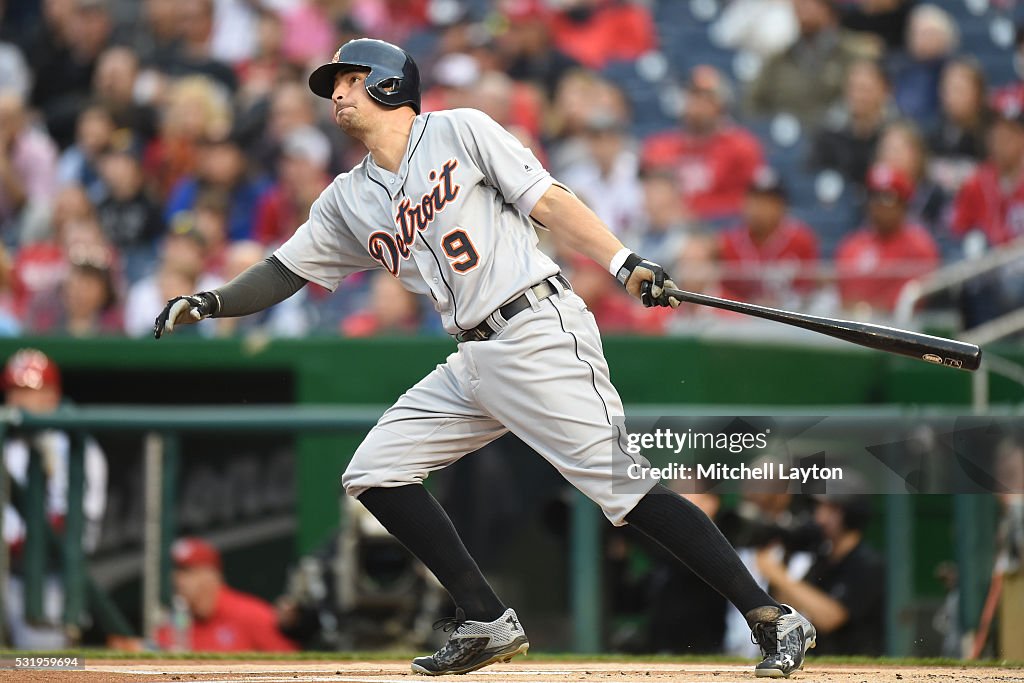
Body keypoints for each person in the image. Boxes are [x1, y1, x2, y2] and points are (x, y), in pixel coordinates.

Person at [153, 38, 817, 678]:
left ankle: (773, 616)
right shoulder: (347, 198)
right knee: (375, 471)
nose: (338, 95)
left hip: (535, 328)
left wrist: (621, 261)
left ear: (389, 84)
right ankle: (485, 618)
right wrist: (211, 301)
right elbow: (283, 269)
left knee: (626, 489)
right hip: (472, 356)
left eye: (350, 81)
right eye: (334, 86)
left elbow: (548, 199)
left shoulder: (461, 131)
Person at [3, 348, 108, 649]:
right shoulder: (8, 442)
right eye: (13, 391)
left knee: (41, 667)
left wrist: (14, 546)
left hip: (49, 578)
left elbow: (73, 525)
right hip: (6, 572)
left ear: (52, 395)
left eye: (29, 391)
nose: (18, 401)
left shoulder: (75, 448)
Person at [756, 477, 886, 656]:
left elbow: (831, 618)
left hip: (857, 663)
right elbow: (788, 604)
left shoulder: (866, 563)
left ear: (851, 513)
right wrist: (787, 550)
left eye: (831, 509)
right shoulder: (823, 557)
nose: (820, 517)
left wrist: (777, 574)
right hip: (822, 661)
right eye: (820, 508)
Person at [642, 65, 764, 222]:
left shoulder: (741, 147)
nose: (699, 104)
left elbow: (749, 201)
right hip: (666, 229)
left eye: (707, 98)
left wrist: (696, 211)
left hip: (719, 229)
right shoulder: (659, 147)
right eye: (694, 95)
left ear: (722, 105)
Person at [745, 0, 880, 123]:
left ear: (827, 8)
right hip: (789, 136)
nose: (803, 9)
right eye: (799, 4)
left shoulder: (856, 53)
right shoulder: (779, 59)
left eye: (810, 3)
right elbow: (751, 105)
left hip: (840, 138)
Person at [155, 537, 298, 652]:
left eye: (187, 571)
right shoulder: (175, 623)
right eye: (177, 572)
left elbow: (293, 668)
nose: (178, 580)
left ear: (211, 575)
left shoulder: (251, 615)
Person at [835, 163, 939, 314]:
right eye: (874, 197)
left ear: (903, 205)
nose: (879, 206)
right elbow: (843, 294)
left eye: (888, 198)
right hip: (852, 326)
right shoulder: (853, 244)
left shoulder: (920, 246)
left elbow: (913, 299)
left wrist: (870, 310)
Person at [718, 168, 818, 307]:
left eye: (768, 202)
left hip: (790, 318)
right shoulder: (729, 242)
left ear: (781, 206)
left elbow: (809, 289)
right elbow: (722, 292)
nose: (758, 209)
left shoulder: (801, 240)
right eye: (754, 200)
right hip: (741, 320)